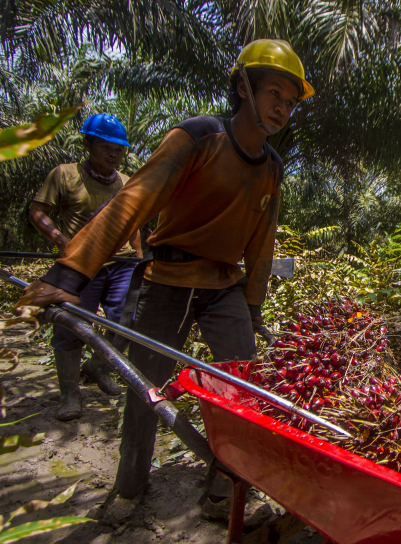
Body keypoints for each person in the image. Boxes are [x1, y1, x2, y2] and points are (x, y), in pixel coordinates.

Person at [18, 39, 314, 500]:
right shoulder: (198, 136)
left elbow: (261, 243)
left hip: (223, 286)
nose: (282, 108)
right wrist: (68, 275)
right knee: (145, 389)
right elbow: (132, 203)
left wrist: (252, 307)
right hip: (168, 279)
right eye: (275, 93)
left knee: (243, 388)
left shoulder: (272, 167)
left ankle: (222, 490)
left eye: (291, 102)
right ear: (242, 87)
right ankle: (130, 488)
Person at [29, 113, 141, 421]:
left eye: (119, 150)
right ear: (88, 144)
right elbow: (38, 211)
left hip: (121, 264)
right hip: (81, 265)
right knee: (71, 326)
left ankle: (99, 367)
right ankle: (70, 394)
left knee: (126, 322)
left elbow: (133, 224)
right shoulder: (64, 175)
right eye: (106, 147)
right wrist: (60, 239)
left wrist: (141, 258)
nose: (114, 154)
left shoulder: (125, 183)